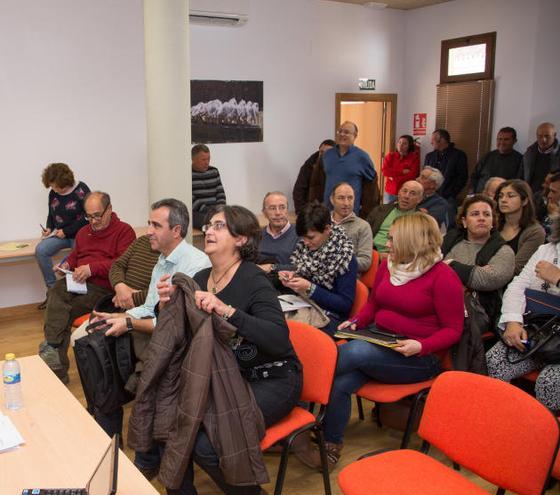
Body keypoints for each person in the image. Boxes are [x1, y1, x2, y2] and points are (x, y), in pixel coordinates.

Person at [295, 213, 464, 472]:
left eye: (393, 239)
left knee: (355, 352)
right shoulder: (389, 265)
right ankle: (331, 444)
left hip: (418, 356)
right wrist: (357, 322)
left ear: (412, 241)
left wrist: (421, 346)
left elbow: (453, 330)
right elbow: (374, 303)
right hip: (381, 341)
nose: (385, 243)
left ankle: (295, 390)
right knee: (340, 382)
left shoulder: (443, 276)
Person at [153, 205, 301, 494]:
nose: (208, 230)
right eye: (208, 225)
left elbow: (278, 339)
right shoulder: (200, 278)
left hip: (271, 379)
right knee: (173, 426)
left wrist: (226, 310)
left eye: (219, 226)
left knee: (206, 444)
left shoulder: (253, 279)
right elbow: (179, 335)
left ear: (242, 239)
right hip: (224, 378)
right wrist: (164, 308)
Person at [84, 199, 210, 477]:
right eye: (149, 223)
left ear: (176, 230)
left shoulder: (196, 264)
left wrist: (128, 323)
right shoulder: (162, 260)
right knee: (94, 345)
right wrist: (121, 316)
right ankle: (109, 437)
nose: (148, 230)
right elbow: (150, 306)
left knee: (138, 372)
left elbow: (174, 325)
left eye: (155, 225)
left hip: (179, 344)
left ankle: (146, 457)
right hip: (154, 332)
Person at [38, 191, 136, 383]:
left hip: (105, 289)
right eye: (88, 216)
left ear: (109, 210)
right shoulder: (84, 232)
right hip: (80, 285)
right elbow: (76, 255)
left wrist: (92, 269)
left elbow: (122, 263)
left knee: (59, 311)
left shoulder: (124, 231)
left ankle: (53, 355)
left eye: (97, 215)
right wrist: (66, 264)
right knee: (56, 293)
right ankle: (54, 356)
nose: (93, 221)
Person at [486, 214, 560, 412]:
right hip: (540, 333)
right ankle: (500, 422)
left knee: (550, 382)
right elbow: (517, 286)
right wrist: (513, 322)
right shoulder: (547, 250)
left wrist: (558, 278)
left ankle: (542, 437)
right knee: (495, 361)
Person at [280, 203, 357, 335]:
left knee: (288, 333)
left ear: (327, 229)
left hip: (331, 318)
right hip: (306, 304)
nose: (305, 242)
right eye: (302, 237)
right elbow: (310, 277)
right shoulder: (307, 246)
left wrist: (310, 288)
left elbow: (344, 305)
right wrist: (294, 277)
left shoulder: (344, 257)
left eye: (310, 237)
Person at [442, 194, 515, 326]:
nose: (481, 218)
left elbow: (488, 280)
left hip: (479, 313)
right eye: (475, 214)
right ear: (464, 221)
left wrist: (451, 264)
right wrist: (474, 271)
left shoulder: (504, 251)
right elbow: (429, 265)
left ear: (493, 222)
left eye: (487, 214)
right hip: (441, 300)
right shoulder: (449, 240)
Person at [34, 163, 90, 308]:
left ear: (67, 181)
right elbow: (51, 214)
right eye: (53, 187)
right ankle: (53, 292)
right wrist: (49, 228)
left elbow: (87, 218)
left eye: (59, 187)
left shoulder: (82, 189)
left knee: (78, 256)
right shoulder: (53, 192)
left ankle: (72, 296)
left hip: (80, 234)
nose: (56, 190)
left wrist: (66, 231)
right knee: (41, 250)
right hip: (60, 235)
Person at [322, 121, 377, 214]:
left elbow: (371, 186)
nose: (342, 134)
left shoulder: (362, 157)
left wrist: (367, 211)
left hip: (350, 211)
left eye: (346, 132)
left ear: (355, 136)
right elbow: (318, 182)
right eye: (340, 131)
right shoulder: (327, 155)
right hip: (328, 210)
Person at [494, 179, 546, 275]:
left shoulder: (535, 232)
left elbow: (516, 268)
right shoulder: (493, 224)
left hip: (510, 283)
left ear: (525, 201)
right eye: (500, 196)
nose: (503, 200)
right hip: (483, 275)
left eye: (510, 196)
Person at [366, 180, 424, 255]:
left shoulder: (421, 220)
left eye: (412, 193)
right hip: (371, 253)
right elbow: (365, 231)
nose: (406, 196)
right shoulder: (380, 210)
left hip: (400, 257)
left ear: (419, 199)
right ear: (399, 193)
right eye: (404, 191)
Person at [329, 182, 373, 273]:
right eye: (341, 198)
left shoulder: (363, 226)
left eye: (350, 198)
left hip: (348, 276)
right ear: (332, 200)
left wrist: (336, 263)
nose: (346, 203)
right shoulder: (322, 221)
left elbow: (365, 262)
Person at [424, 128, 468, 209]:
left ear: (441, 140)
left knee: (448, 220)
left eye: (433, 140)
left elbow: (462, 177)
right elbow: (424, 175)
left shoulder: (459, 155)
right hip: (429, 197)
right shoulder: (429, 156)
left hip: (449, 198)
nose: (431, 142)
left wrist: (451, 193)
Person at [470, 127, 523, 194]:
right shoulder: (488, 156)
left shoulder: (520, 160)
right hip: (481, 196)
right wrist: (470, 195)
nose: (502, 142)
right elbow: (474, 176)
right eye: (499, 139)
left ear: (514, 141)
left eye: (506, 139)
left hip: (502, 198)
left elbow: (518, 184)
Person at [257, 191, 298, 272]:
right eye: (272, 208)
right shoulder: (256, 235)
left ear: (287, 211)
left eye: (282, 207)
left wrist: (272, 267)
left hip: (287, 282)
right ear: (264, 213)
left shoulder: (300, 234)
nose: (278, 213)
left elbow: (303, 267)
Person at [292, 139, 334, 212]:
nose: (324, 155)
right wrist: (301, 212)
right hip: (312, 211)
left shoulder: (339, 168)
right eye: (321, 152)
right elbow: (299, 190)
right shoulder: (309, 166)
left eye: (328, 153)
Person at [191, 144, 226, 230]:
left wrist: (220, 209)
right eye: (203, 159)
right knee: (209, 222)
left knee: (234, 218)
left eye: (208, 159)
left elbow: (220, 193)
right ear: (193, 159)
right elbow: (191, 199)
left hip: (216, 210)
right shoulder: (188, 174)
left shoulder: (214, 171)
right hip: (198, 212)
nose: (207, 162)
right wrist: (209, 211)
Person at [521, 122, 560, 193]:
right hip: (529, 194)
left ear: (554, 135)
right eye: (540, 136)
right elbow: (520, 176)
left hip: (550, 195)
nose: (543, 139)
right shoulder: (529, 153)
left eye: (547, 136)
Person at [381, 134, 420, 203]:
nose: (401, 145)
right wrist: (402, 171)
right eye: (399, 142)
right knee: (387, 211)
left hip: (406, 191)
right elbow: (385, 171)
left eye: (404, 143)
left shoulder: (414, 158)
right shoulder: (390, 156)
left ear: (409, 146)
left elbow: (412, 175)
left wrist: (394, 178)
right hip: (390, 191)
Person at [416, 166, 451, 230]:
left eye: (423, 177)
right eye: (419, 176)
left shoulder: (440, 203)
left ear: (433, 184)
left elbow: (429, 223)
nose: (417, 179)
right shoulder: (409, 195)